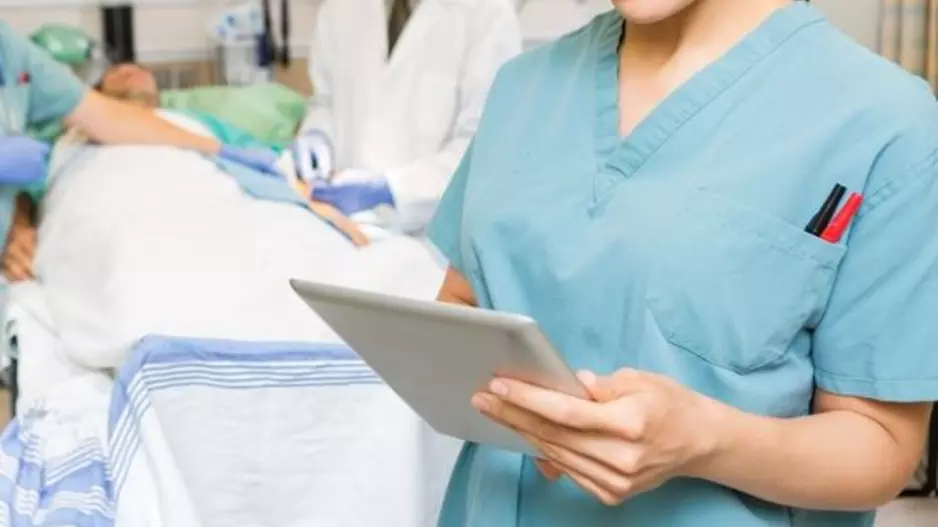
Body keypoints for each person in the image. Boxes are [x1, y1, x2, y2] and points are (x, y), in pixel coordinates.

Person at [427, 0, 938, 526]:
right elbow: (462, 304)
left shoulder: (880, 121)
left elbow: (881, 444)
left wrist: (707, 441)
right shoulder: (522, 87)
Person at [298, 0, 522, 235]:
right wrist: (318, 134)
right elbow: (325, 101)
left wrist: (392, 189)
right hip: (339, 222)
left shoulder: (489, 14)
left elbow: (483, 151)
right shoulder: (339, 8)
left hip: (432, 236)